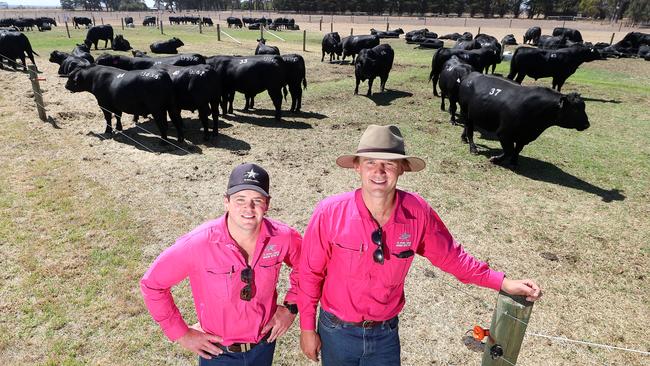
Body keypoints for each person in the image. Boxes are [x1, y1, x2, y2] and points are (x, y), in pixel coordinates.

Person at [297, 125, 542, 366]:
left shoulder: (417, 212)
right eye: (370, 162)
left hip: (385, 334)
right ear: (357, 166)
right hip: (336, 331)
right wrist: (307, 329)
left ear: (402, 169)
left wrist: (503, 282)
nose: (379, 171)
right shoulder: (329, 212)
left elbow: (453, 258)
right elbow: (309, 273)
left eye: (389, 163)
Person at [141, 163, 301, 366]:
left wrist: (291, 308)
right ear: (226, 201)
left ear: (267, 204)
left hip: (264, 347)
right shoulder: (199, 243)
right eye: (240, 200)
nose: (248, 209)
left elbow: (308, 268)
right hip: (217, 353)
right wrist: (180, 333)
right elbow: (152, 284)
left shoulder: (283, 237)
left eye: (257, 201)